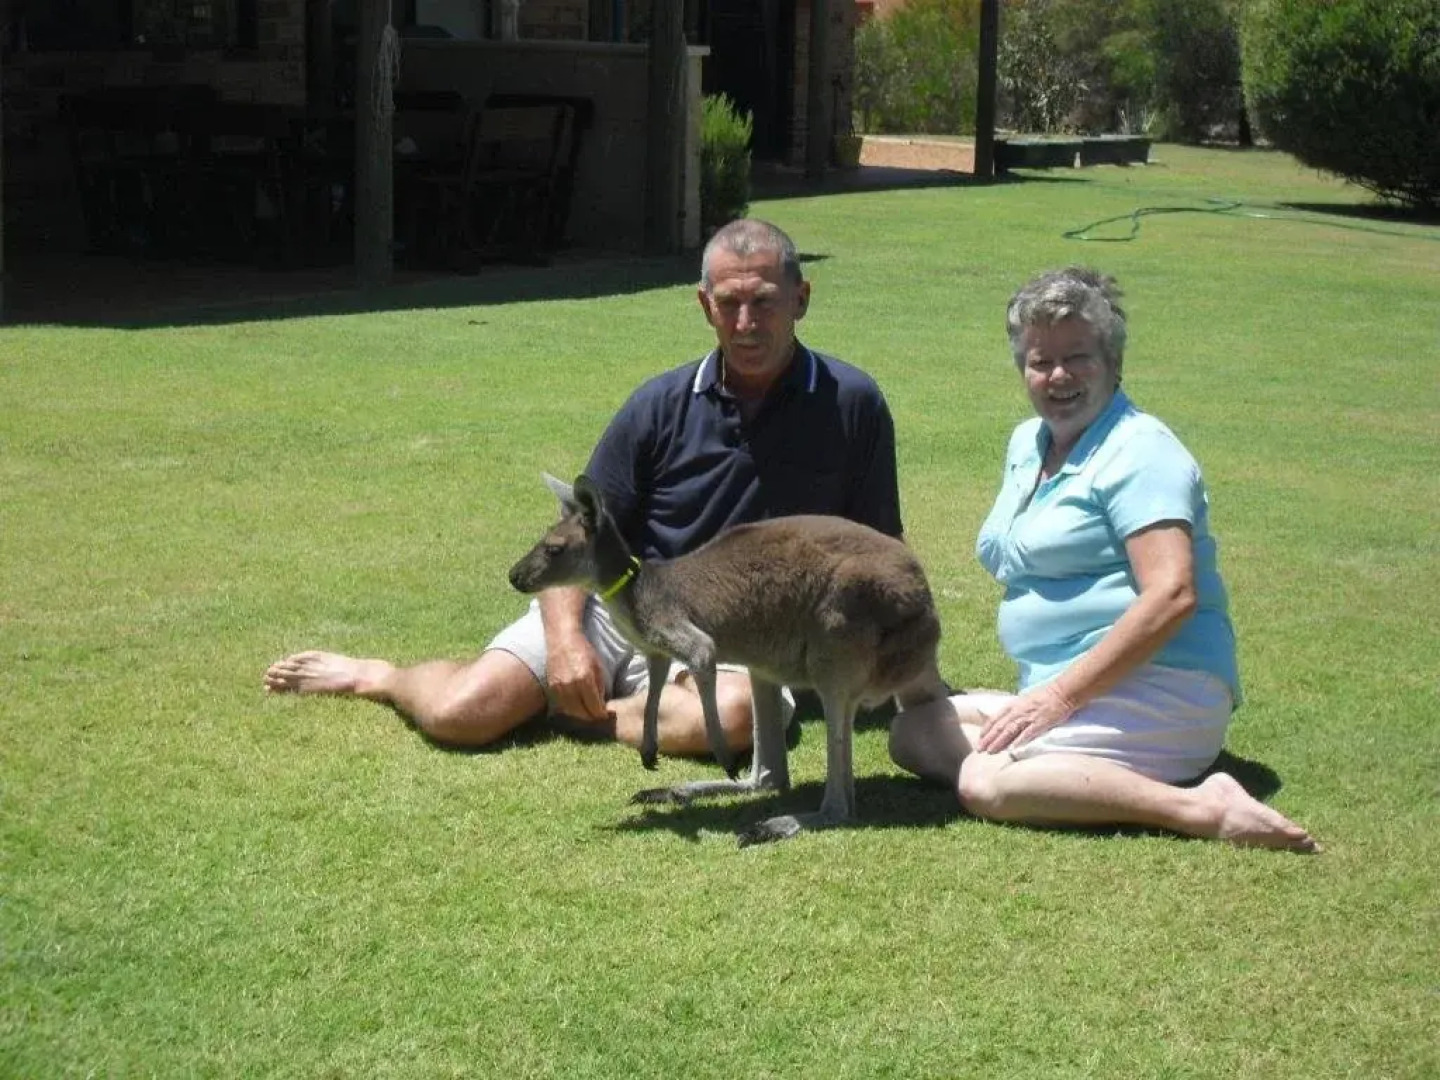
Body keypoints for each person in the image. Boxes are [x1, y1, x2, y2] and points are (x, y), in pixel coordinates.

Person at [264, 218, 905, 758]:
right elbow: (577, 530)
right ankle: (379, 677)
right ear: (704, 306)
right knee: (464, 713)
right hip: (621, 603)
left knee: (735, 717)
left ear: (801, 298)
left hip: (740, 630)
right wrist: (568, 641)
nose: (745, 323)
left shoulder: (852, 403)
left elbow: (877, 552)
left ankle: (570, 714)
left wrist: (900, 672)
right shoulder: (659, 404)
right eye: (728, 304)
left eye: (763, 300)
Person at [889, 267, 1318, 852]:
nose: (1058, 376)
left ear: (1114, 363)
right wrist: (1050, 690)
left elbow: (1173, 595)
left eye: (1079, 357)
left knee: (988, 783)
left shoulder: (1140, 452)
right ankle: (1058, 756)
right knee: (912, 732)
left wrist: (1061, 697)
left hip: (1163, 690)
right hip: (1068, 687)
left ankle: (1202, 807)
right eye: (1041, 362)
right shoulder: (1028, 443)